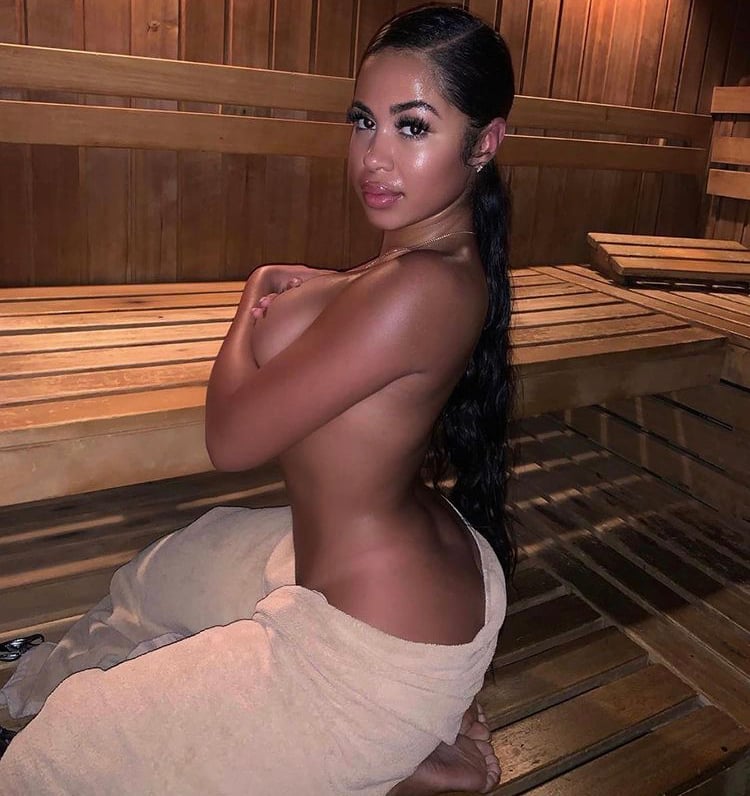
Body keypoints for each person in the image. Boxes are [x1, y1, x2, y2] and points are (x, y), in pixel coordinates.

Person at [0, 5, 516, 793]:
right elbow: (377, 308)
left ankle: (401, 752)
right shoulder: (425, 265)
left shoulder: (419, 289)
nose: (374, 157)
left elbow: (231, 439)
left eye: (413, 127)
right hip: (408, 568)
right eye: (363, 121)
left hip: (374, 649)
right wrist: (325, 290)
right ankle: (33, 693)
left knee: (53, 761)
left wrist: (252, 301)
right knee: (158, 577)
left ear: (483, 143)